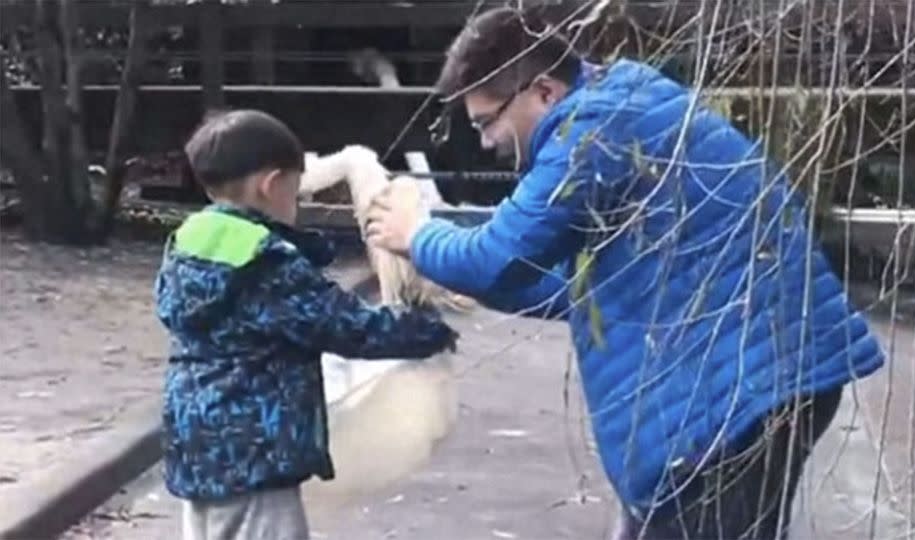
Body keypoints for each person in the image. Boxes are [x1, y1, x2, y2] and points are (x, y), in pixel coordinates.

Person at [365, 7, 886, 540]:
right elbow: (574, 285)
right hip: (759, 380)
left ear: (542, 90)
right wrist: (446, 267)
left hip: (738, 392)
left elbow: (499, 258)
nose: (485, 142)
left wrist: (419, 236)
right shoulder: (619, 104)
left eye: (487, 121)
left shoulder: (591, 132)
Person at [154, 109, 458, 540]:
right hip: (256, 456)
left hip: (198, 450)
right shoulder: (266, 262)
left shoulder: (189, 242)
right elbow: (347, 326)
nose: (296, 204)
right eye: (295, 192)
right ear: (271, 184)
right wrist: (427, 328)